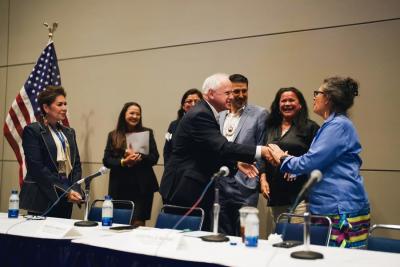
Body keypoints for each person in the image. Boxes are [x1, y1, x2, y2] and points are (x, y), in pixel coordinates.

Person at [159, 73, 272, 230]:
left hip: (192, 186)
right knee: (185, 239)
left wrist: (236, 163)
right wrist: (262, 151)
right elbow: (223, 147)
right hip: (184, 188)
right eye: (227, 93)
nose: (231, 97)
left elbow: (208, 151)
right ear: (211, 93)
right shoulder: (201, 114)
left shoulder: (207, 112)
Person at [267, 76, 370, 248]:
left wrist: (282, 157)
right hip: (328, 206)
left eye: (318, 93)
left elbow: (311, 161)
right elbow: (319, 162)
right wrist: (295, 167)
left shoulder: (338, 126)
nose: (314, 97)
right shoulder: (332, 125)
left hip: (340, 207)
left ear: (329, 98)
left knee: (341, 261)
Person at [259, 87, 319, 231]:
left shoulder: (311, 128)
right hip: (276, 195)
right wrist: (263, 178)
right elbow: (262, 154)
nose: (287, 104)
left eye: (291, 100)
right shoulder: (269, 127)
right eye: (283, 101)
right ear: (278, 105)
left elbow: (316, 159)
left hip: (301, 196)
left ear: (300, 105)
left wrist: (295, 167)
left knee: (297, 238)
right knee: (280, 237)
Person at [19, 86, 83, 219]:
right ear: (46, 108)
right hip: (42, 196)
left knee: (61, 238)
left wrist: (75, 189)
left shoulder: (69, 132)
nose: (64, 108)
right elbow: (36, 168)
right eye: (59, 104)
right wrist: (65, 191)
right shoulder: (33, 131)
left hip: (66, 196)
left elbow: (76, 164)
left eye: (65, 104)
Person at [217, 74, 268, 236]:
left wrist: (256, 178)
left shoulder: (260, 114)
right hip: (220, 185)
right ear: (228, 92)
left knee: (246, 234)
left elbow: (263, 148)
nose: (240, 95)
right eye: (236, 91)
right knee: (221, 233)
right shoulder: (220, 115)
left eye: (244, 91)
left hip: (245, 185)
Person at [103, 102, 159, 227]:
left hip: (142, 187)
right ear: (124, 115)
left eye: (138, 114)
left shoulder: (147, 132)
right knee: (119, 224)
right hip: (120, 186)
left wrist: (139, 156)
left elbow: (155, 158)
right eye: (131, 113)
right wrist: (124, 161)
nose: (135, 116)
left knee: (138, 224)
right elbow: (106, 160)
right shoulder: (113, 135)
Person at [163, 88, 202, 166]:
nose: (193, 104)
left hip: (199, 171)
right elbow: (167, 150)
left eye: (197, 101)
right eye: (189, 101)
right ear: (183, 106)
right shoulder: (173, 125)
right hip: (177, 170)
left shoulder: (208, 124)